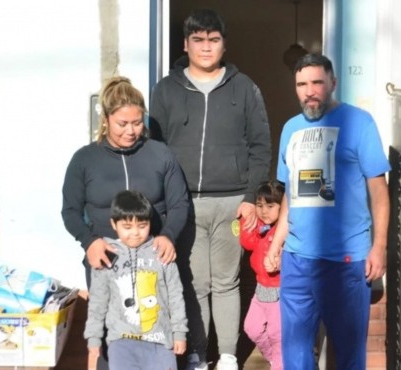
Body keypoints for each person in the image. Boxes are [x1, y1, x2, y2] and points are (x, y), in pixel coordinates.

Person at [149, 9, 271, 370]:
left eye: (213, 40)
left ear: (223, 44)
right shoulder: (167, 89)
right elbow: (155, 148)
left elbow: (261, 145)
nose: (206, 47)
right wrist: (165, 203)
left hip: (233, 203)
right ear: (186, 44)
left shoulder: (244, 87)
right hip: (183, 204)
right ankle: (200, 356)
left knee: (227, 282)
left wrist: (250, 198)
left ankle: (229, 356)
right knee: (195, 283)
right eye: (198, 40)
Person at [265, 54, 390, 370]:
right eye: (302, 84)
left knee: (348, 356)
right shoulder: (290, 129)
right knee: (294, 356)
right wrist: (276, 244)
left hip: (345, 261)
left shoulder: (359, 122)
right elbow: (290, 197)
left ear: (333, 83)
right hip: (297, 262)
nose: (310, 91)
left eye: (317, 82)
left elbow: (379, 191)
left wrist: (379, 247)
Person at [62, 76, 190, 369]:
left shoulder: (160, 154)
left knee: (155, 322)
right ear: (106, 119)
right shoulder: (84, 159)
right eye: (123, 124)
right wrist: (89, 241)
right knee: (112, 329)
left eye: (137, 122)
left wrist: (168, 235)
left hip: (152, 259)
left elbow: (180, 203)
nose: (132, 131)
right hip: (105, 259)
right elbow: (70, 210)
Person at [84, 190, 188, 370]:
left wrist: (179, 333)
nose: (135, 233)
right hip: (121, 344)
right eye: (127, 226)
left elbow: (175, 296)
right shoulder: (107, 254)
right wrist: (94, 336)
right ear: (114, 224)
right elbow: (98, 301)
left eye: (142, 225)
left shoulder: (161, 251)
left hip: (160, 342)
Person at [239, 181, 284, 370]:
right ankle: (274, 358)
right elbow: (247, 243)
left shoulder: (284, 231)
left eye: (270, 205)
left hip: (279, 291)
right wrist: (246, 218)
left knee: (277, 334)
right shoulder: (260, 227)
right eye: (260, 205)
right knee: (251, 327)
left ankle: (279, 364)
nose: (264, 211)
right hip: (260, 289)